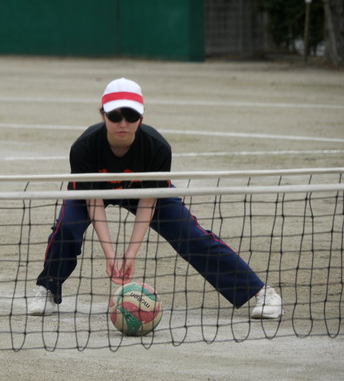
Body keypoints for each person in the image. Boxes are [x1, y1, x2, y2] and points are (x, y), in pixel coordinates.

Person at [28, 77, 283, 319]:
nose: (123, 123)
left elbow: (147, 202)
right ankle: (48, 288)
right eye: (115, 116)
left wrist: (131, 253)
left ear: (142, 117)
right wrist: (111, 255)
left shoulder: (157, 148)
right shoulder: (84, 147)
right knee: (67, 228)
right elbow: (94, 203)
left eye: (131, 116)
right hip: (93, 193)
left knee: (190, 235)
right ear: (103, 114)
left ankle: (263, 293)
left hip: (143, 194)